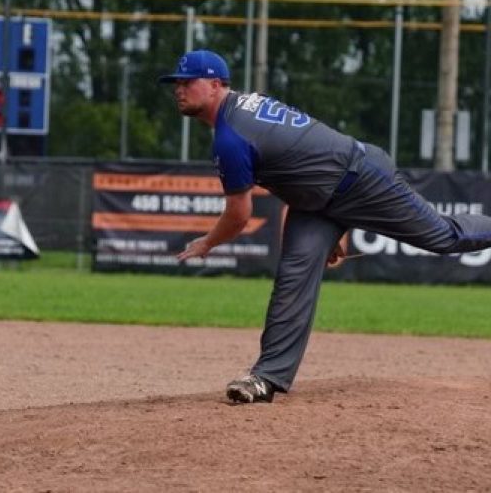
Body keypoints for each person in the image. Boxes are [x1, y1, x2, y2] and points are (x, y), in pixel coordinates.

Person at [159, 49, 491, 404]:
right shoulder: (245, 108)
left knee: (443, 236)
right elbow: (296, 162)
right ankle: (266, 377)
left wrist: (207, 243)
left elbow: (239, 216)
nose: (179, 89)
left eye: (187, 82)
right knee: (293, 277)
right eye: (176, 83)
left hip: (362, 179)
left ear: (214, 85)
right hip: (319, 202)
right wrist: (339, 227)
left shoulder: (230, 137)